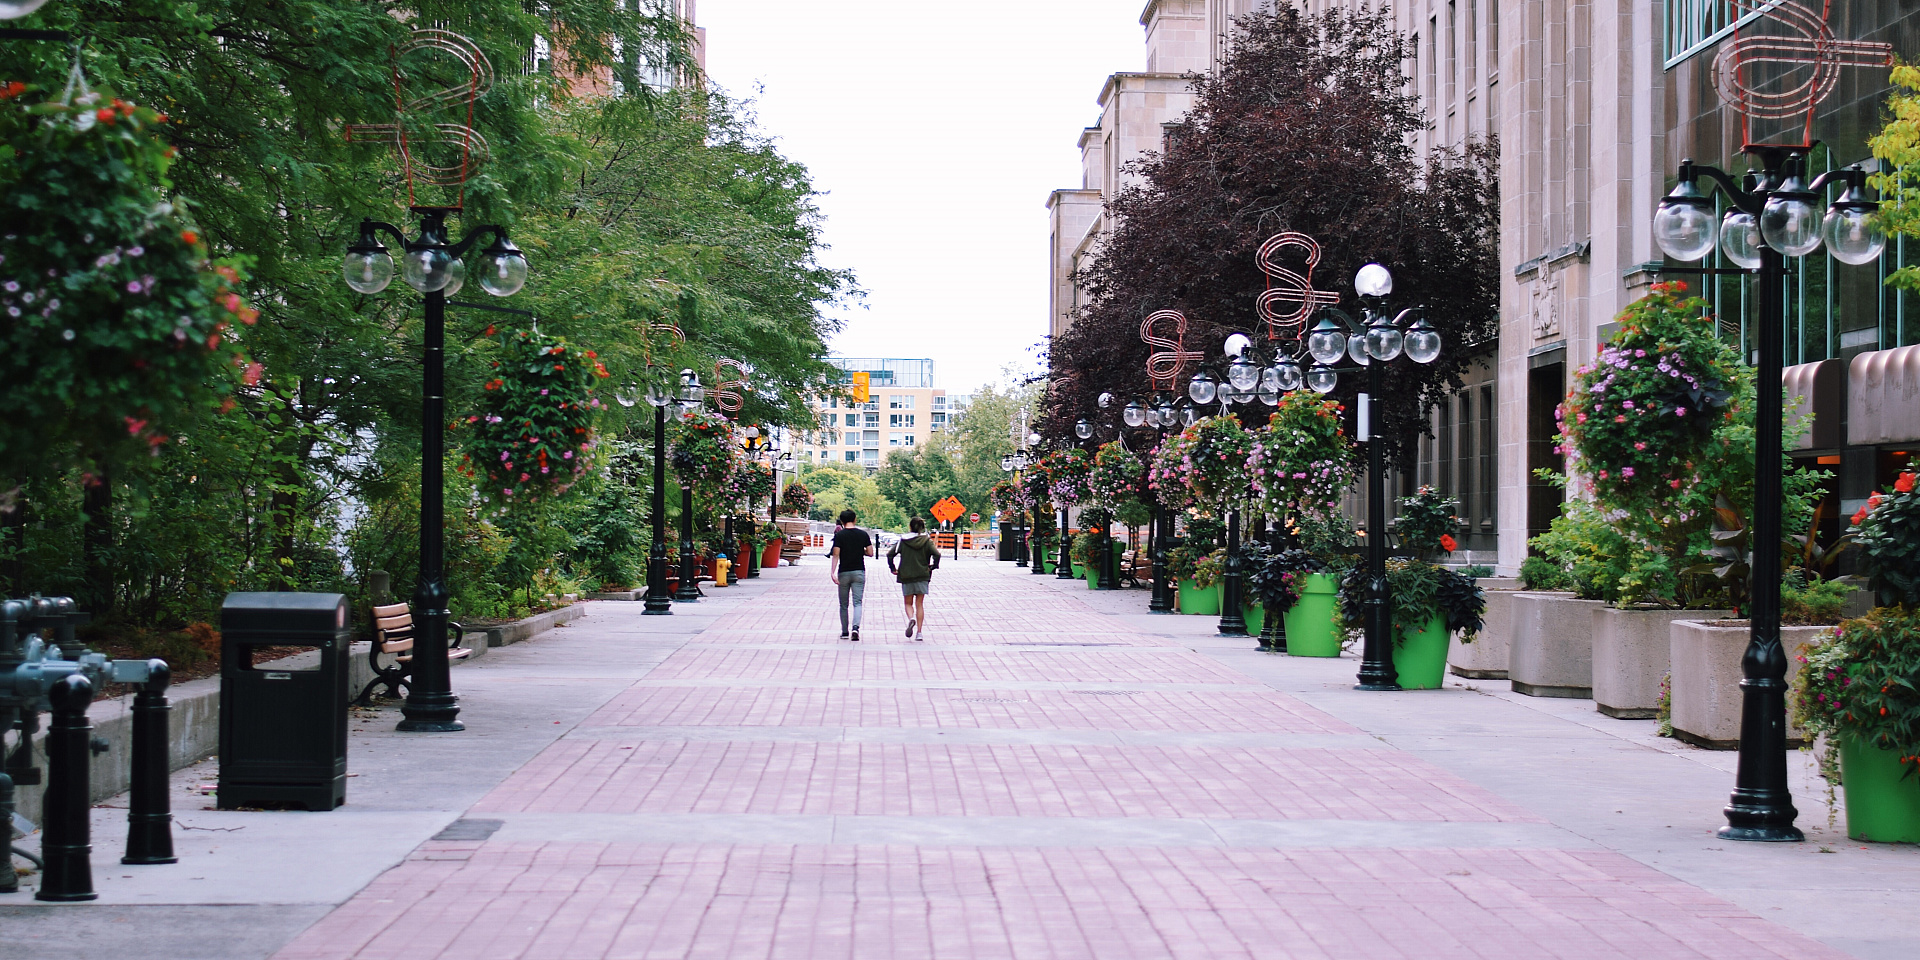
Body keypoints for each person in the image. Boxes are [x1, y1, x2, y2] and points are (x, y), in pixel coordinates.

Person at [887, 517, 940, 640]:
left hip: (906, 575)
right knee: (920, 604)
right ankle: (919, 633)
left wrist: (893, 568)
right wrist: (933, 566)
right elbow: (937, 554)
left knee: (908, 603)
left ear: (910, 527)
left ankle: (911, 618)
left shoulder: (903, 541)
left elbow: (890, 554)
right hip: (922, 575)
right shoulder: (927, 541)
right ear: (922, 528)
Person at [828, 509, 873, 641]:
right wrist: (860, 551)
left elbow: (836, 554)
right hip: (859, 571)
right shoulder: (863, 534)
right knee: (857, 602)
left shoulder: (840, 536)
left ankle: (844, 631)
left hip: (844, 572)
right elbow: (870, 552)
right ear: (855, 519)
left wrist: (832, 572)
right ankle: (855, 628)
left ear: (842, 521)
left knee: (843, 604)